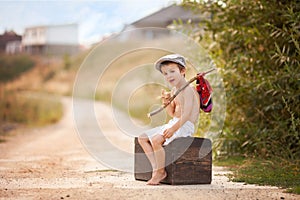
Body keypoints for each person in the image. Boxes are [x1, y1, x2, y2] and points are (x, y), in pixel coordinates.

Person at [138, 54, 200, 185]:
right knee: (142, 138)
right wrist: (166, 103)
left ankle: (161, 172)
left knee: (156, 140)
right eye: (165, 73)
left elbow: (187, 113)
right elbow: (172, 113)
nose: (169, 76)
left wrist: (173, 128)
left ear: (182, 71)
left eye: (172, 71)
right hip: (175, 122)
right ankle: (156, 168)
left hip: (184, 125)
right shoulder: (174, 91)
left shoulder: (188, 90)